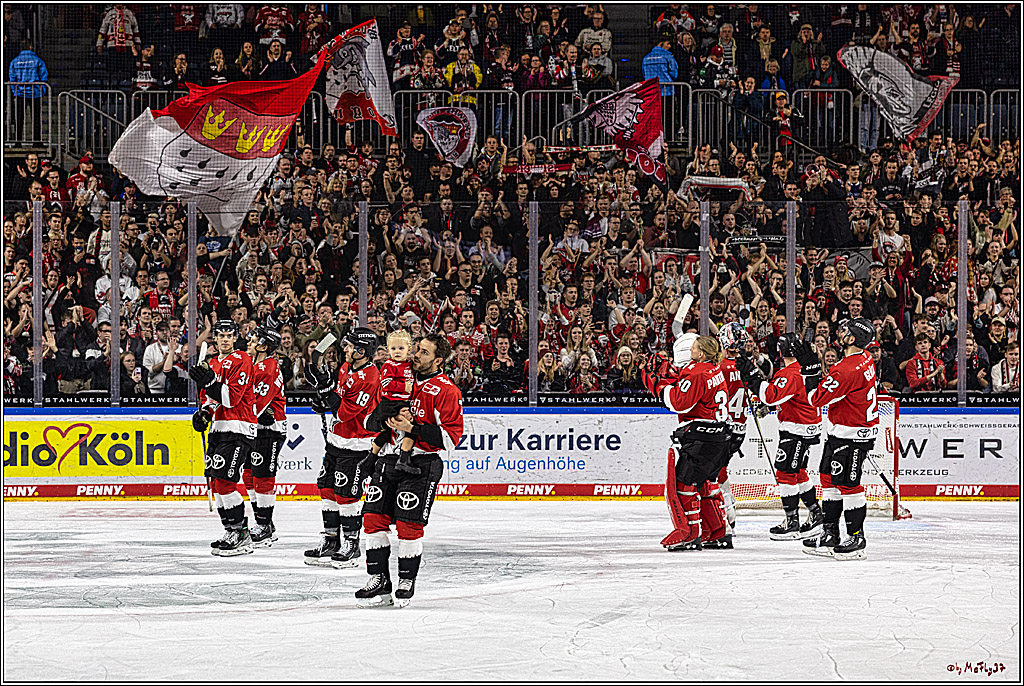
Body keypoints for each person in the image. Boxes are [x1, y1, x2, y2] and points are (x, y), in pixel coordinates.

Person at [356, 333, 465, 607]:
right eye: (417, 349)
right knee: (372, 521)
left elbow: (451, 439)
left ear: (438, 360)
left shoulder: (446, 390)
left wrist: (411, 429)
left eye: (424, 353)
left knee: (408, 525)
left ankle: (406, 579)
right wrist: (384, 419)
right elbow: (369, 421)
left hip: (421, 463)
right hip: (389, 460)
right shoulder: (395, 376)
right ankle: (378, 581)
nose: (416, 355)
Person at [796, 318, 879, 560]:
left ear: (852, 339)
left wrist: (810, 368)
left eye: (845, 331)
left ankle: (856, 537)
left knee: (848, 485)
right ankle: (830, 533)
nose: (840, 333)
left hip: (852, 434)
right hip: (840, 431)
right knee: (829, 479)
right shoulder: (863, 358)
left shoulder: (846, 369)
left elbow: (815, 399)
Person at [641, 334, 732, 551]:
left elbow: (679, 403)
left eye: (693, 348)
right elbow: (693, 385)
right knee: (707, 484)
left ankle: (690, 534)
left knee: (683, 486)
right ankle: (719, 532)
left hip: (701, 437)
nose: (689, 350)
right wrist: (676, 376)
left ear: (701, 353)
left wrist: (660, 387)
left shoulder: (696, 372)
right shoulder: (714, 369)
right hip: (720, 437)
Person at [304, 327, 382, 567]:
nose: (344, 349)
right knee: (326, 489)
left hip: (357, 444)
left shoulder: (370, 377)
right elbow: (336, 396)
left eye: (349, 346)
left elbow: (344, 412)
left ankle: (351, 543)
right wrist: (322, 396)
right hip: (336, 441)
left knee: (346, 495)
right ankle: (331, 540)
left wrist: (327, 392)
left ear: (362, 350)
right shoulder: (347, 368)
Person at [737, 333, 824, 540]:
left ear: (780, 351)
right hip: (809, 426)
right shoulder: (804, 368)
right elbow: (789, 396)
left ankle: (791, 522)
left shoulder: (790, 373)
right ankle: (816, 514)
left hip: (797, 429)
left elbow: (770, 394)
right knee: (799, 472)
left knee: (785, 473)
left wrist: (750, 374)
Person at [188, 320, 259, 556]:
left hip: (239, 428)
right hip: (219, 429)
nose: (226, 339)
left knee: (226, 482)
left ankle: (241, 533)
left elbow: (231, 399)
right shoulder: (213, 363)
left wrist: (209, 382)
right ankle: (230, 530)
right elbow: (211, 400)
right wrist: (203, 414)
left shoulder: (242, 360)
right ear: (214, 340)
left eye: (230, 335)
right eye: (221, 336)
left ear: (235, 338)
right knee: (217, 484)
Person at [245, 326, 286, 547]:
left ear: (263, 346)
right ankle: (263, 523)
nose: (249, 342)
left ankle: (265, 524)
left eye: (253, 340)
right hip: (256, 427)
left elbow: (258, 404)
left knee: (262, 476)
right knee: (249, 475)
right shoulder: (257, 365)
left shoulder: (266, 367)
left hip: (269, 429)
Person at [364, 329, 418, 478]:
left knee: (388, 432)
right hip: (391, 402)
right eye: (393, 348)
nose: (397, 352)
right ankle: (403, 457)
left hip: (403, 401)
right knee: (411, 427)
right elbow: (385, 384)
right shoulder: (389, 365)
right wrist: (404, 387)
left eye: (401, 348)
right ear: (388, 350)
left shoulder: (410, 364)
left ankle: (371, 458)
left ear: (409, 349)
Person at [715, 322, 752, 535]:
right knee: (721, 468)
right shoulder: (745, 366)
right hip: (741, 427)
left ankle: (727, 513)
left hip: (724, 427)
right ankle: (728, 509)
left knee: (715, 470)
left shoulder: (720, 368)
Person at [7, 41, 48, 145]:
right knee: (36, 118)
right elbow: (43, 76)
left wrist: (14, 91)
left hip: (20, 93)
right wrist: (42, 90)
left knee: (19, 118)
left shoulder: (15, 61)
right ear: (31, 47)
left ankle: (18, 141)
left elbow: (12, 78)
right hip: (35, 93)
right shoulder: (37, 60)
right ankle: (37, 141)